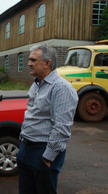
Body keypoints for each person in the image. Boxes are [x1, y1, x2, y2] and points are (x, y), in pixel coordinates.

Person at [16, 43, 78, 194]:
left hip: (43, 151)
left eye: (33, 60)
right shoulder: (37, 84)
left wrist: (47, 158)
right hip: (26, 147)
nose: (29, 63)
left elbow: (62, 127)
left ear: (47, 63)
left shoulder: (61, 88)